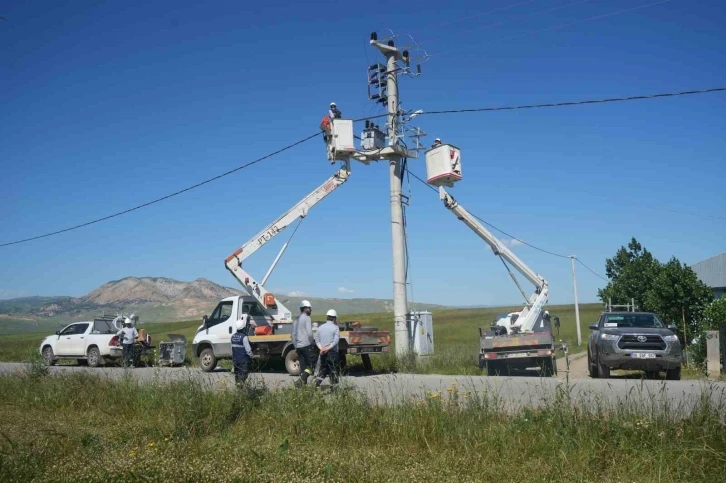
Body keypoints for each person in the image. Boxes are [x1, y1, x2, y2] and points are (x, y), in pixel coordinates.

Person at [291, 300, 317, 387]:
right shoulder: (307, 318)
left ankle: (304, 387)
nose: (310, 310)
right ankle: (301, 380)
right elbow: (309, 333)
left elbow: (293, 334)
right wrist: (312, 343)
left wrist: (295, 346)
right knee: (312, 364)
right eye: (309, 308)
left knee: (303, 367)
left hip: (298, 346)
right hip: (306, 345)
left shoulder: (296, 319)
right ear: (305, 308)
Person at [314, 309, 341, 389]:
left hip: (322, 353)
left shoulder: (320, 328)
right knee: (333, 370)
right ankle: (335, 388)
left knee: (323, 370)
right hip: (332, 353)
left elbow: (316, 340)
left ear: (327, 318)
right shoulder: (336, 328)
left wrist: (321, 348)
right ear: (334, 318)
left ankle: (316, 385)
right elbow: (335, 341)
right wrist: (327, 348)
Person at [231, 316, 254, 386]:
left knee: (237, 375)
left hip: (235, 360)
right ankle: (241, 386)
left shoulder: (233, 336)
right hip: (243, 360)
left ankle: (238, 387)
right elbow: (248, 350)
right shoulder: (244, 337)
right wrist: (252, 357)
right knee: (244, 374)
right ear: (244, 327)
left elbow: (232, 349)